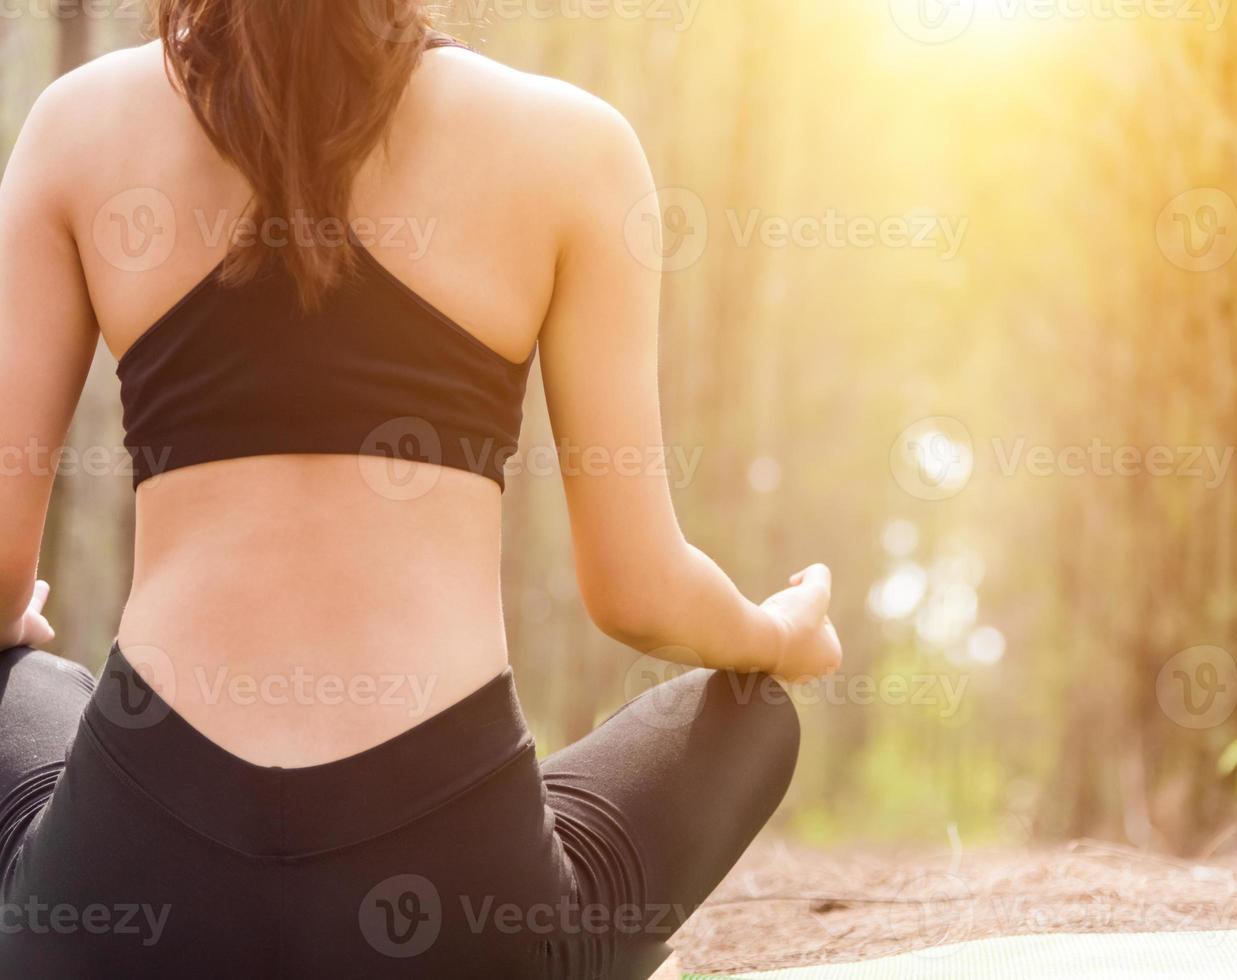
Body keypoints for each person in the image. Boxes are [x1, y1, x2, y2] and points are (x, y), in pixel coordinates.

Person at [0, 3, 842, 976]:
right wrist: (773, 635)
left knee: (22, 683)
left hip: (126, 916)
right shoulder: (572, 144)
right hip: (457, 918)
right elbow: (638, 592)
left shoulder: (76, 124)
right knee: (752, 711)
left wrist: (19, 620)